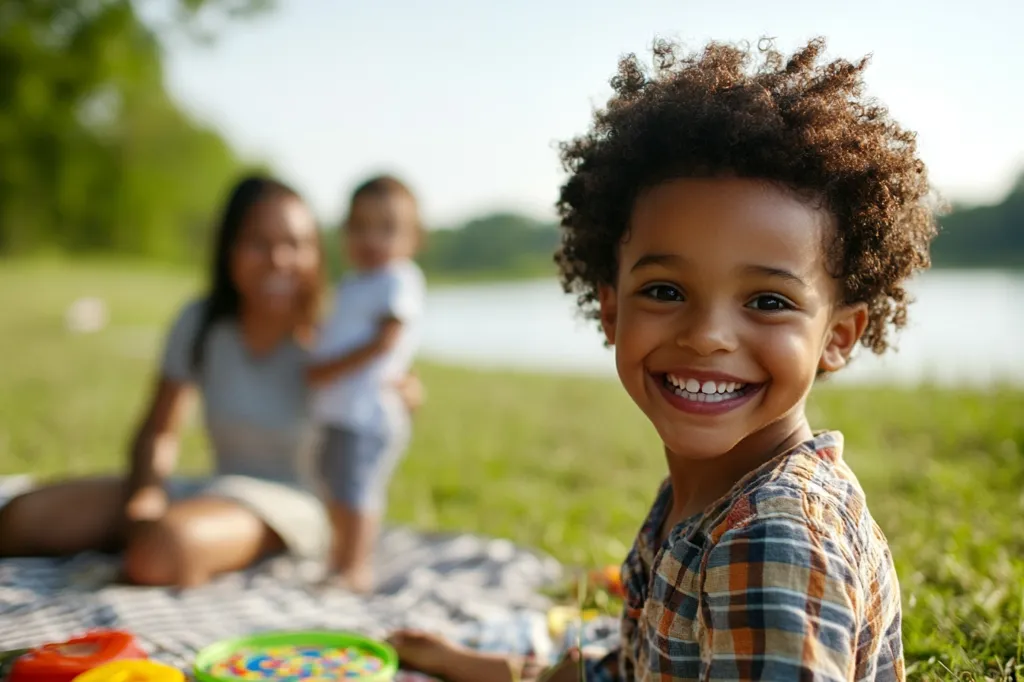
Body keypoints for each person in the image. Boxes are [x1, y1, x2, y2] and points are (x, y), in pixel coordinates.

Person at [387, 36, 936, 681]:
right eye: (666, 291)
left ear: (838, 336)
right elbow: (630, 670)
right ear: (613, 311)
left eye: (766, 300)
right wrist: (473, 665)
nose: (707, 336)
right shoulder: (704, 501)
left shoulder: (774, 538)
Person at [0, 175, 423, 589]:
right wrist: (144, 495)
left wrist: (406, 393)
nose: (278, 259)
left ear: (316, 252)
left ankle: (154, 546)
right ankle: (141, 538)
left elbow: (382, 389)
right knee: (21, 519)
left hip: (293, 505)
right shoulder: (202, 323)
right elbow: (160, 429)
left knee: (162, 547)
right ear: (229, 249)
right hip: (214, 487)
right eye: (259, 243)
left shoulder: (332, 328)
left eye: (295, 244)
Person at [306, 175, 426, 592]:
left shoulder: (398, 278)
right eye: (360, 226)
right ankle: (339, 559)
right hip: (341, 410)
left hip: (370, 411)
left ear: (413, 239)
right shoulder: (353, 283)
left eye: (387, 227)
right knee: (335, 486)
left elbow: (385, 339)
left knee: (358, 490)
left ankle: (355, 567)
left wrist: (328, 369)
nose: (372, 237)